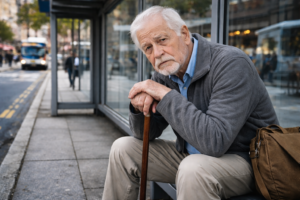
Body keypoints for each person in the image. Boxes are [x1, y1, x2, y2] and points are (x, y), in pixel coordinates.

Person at [102, 6, 278, 200]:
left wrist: (165, 95)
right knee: (122, 149)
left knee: (193, 169)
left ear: (184, 34)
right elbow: (147, 133)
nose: (157, 53)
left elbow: (215, 142)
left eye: (162, 40)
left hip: (249, 162)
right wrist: (139, 108)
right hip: (190, 157)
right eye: (148, 48)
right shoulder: (166, 73)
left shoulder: (231, 63)